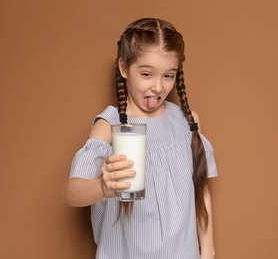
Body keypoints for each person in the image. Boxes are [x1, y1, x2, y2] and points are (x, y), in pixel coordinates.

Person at [65, 18, 218, 259]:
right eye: (146, 73)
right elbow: (73, 193)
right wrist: (103, 187)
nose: (158, 87)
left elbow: (201, 192)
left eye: (168, 76)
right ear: (124, 68)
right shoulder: (110, 124)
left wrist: (207, 250)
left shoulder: (186, 121)